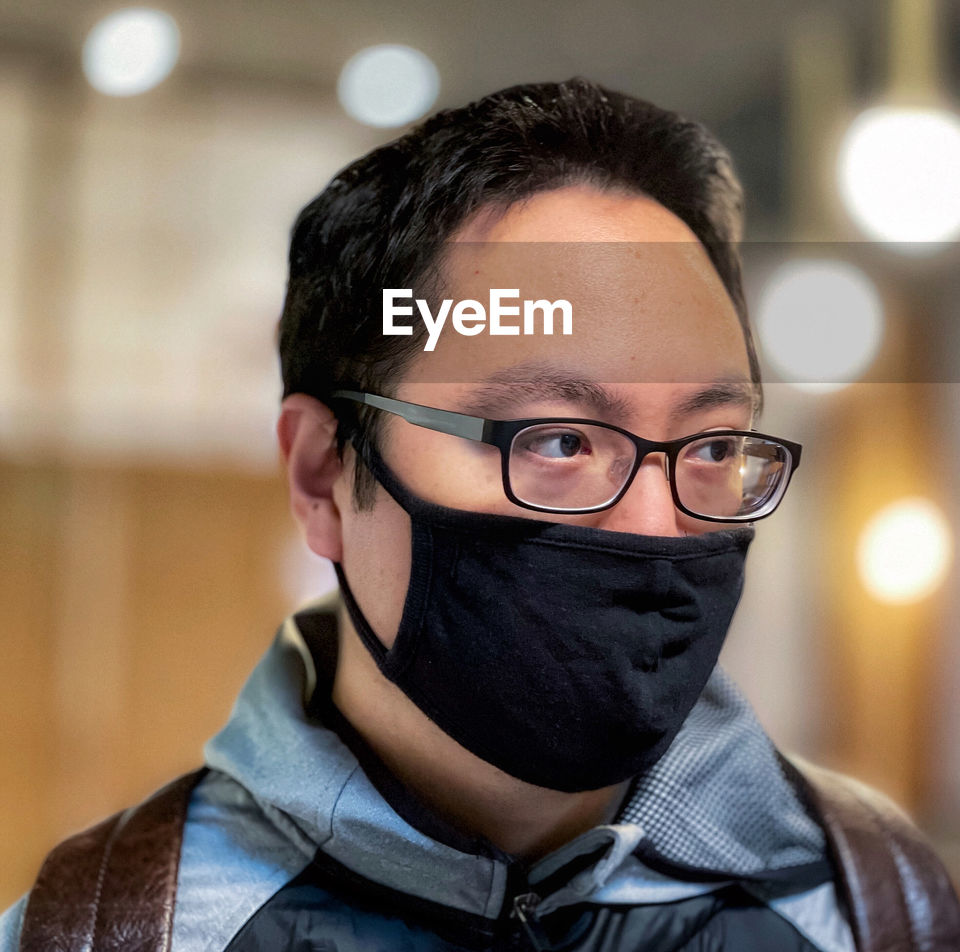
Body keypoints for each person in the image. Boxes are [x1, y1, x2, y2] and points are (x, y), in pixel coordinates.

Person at [3, 78, 958, 952]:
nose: (660, 526)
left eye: (711, 448)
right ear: (323, 472)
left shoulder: (875, 911)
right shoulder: (120, 930)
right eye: (556, 441)